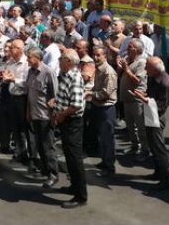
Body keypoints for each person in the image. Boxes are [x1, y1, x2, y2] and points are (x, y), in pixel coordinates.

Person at [132, 57, 169, 190]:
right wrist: (145, 95)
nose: (145, 69)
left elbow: (161, 106)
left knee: (159, 147)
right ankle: (158, 173)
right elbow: (152, 96)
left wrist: (143, 98)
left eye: (148, 67)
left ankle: (167, 179)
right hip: (150, 114)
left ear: (155, 69)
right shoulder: (153, 78)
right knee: (153, 145)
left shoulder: (165, 82)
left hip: (156, 117)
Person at [52, 49, 88, 209]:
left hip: (72, 122)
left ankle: (80, 196)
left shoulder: (74, 77)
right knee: (68, 156)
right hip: (65, 121)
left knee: (74, 159)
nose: (59, 60)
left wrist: (61, 114)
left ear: (69, 61)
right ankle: (74, 186)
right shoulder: (65, 75)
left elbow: (77, 105)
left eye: (61, 58)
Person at [25, 48, 59, 188]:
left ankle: (53, 174)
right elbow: (29, 92)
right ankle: (45, 169)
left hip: (46, 115)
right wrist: (28, 111)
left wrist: (54, 116)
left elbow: (55, 95)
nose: (27, 59)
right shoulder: (30, 71)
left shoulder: (48, 72)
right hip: (34, 114)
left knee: (47, 146)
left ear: (38, 58)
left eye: (30, 57)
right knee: (38, 144)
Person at [86, 46, 118, 177]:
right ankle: (105, 161)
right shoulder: (98, 69)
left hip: (107, 108)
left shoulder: (108, 72)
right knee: (102, 137)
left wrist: (91, 94)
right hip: (98, 106)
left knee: (108, 138)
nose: (96, 57)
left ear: (105, 56)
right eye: (94, 55)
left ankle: (110, 166)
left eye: (99, 55)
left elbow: (106, 92)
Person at [0, 39, 32, 168]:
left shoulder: (26, 63)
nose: (9, 50)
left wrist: (14, 79)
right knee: (15, 128)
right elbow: (8, 78)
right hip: (12, 97)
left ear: (19, 49)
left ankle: (29, 156)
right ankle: (19, 153)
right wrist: (6, 79)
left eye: (12, 48)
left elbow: (27, 83)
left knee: (25, 128)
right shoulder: (10, 62)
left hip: (23, 99)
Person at [118, 39, 149, 161]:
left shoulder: (141, 62)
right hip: (126, 98)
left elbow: (137, 80)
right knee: (130, 126)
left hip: (136, 99)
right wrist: (121, 67)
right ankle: (134, 146)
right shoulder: (128, 59)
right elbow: (119, 74)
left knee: (140, 126)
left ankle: (145, 150)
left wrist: (126, 69)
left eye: (130, 47)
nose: (127, 49)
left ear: (137, 50)